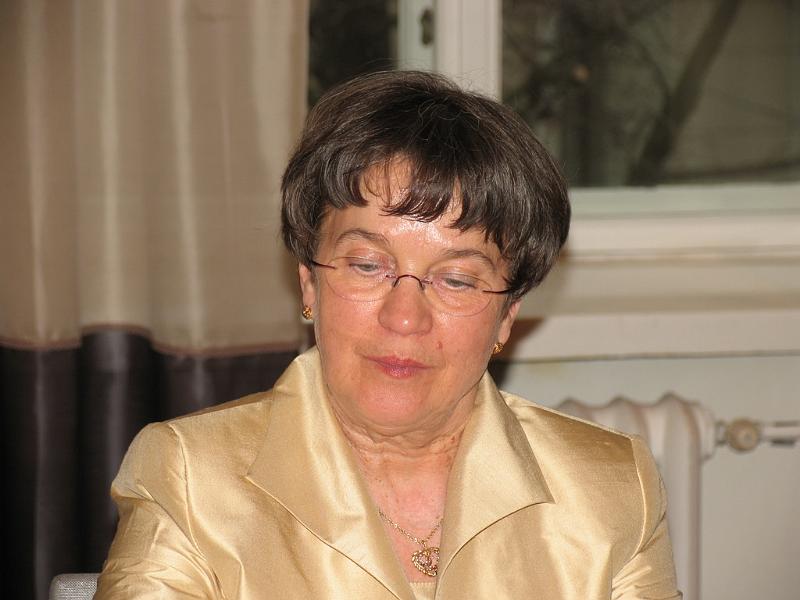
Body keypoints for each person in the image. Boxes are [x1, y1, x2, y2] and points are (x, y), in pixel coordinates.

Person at [96, 70, 681, 599]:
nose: (404, 318)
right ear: (309, 282)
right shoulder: (190, 478)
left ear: (507, 315)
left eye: (456, 279)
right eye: (368, 265)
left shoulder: (611, 487)